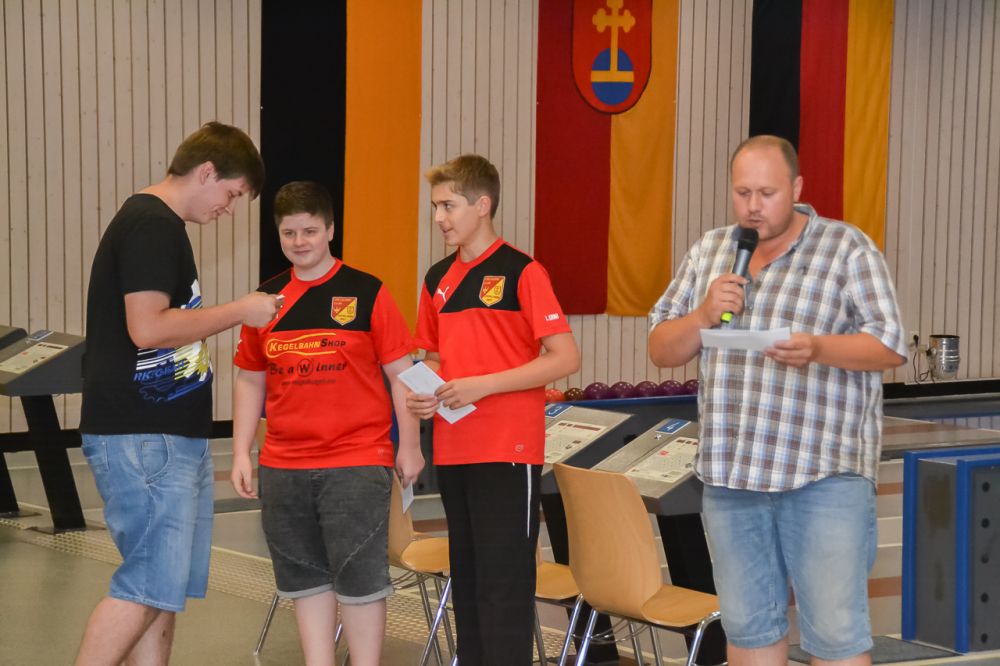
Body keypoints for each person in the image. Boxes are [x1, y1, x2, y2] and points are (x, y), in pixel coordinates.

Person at [648, 134, 907, 666]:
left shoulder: (846, 249)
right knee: (749, 630)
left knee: (835, 634)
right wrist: (702, 315)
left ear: (797, 188)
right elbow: (661, 349)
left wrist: (818, 348)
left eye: (766, 193)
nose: (753, 206)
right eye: (742, 192)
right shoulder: (711, 250)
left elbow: (889, 347)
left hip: (823, 477)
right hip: (732, 478)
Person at [77, 121, 280, 665]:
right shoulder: (152, 225)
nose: (228, 209)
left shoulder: (159, 225)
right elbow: (148, 328)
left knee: (160, 592)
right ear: (207, 172)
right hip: (144, 435)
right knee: (146, 585)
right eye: (232, 194)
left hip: (164, 435)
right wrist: (240, 310)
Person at [230, 181, 423, 666]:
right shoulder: (265, 301)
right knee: (305, 578)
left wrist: (411, 446)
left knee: (360, 579)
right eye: (289, 233)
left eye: (310, 231)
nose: (300, 242)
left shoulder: (367, 292)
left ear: (331, 230)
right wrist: (240, 453)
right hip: (283, 466)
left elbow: (403, 376)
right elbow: (249, 380)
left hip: (356, 463)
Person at [406, 154, 580, 665]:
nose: (439, 217)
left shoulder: (523, 272)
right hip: (454, 447)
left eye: (448, 206)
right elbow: (435, 356)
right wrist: (425, 391)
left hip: (507, 449)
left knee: (504, 587)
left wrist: (482, 386)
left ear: (482, 206)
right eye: (436, 206)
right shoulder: (437, 277)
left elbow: (565, 357)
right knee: (469, 583)